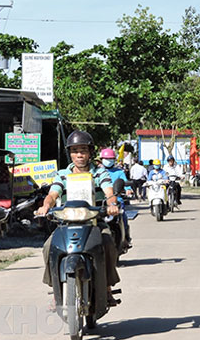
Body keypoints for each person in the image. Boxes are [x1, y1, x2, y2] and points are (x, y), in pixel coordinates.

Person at [34, 130, 121, 304]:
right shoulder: (62, 174)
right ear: (70, 154)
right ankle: (56, 290)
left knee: (108, 243)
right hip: (67, 222)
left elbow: (108, 190)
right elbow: (52, 194)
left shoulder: (99, 173)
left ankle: (107, 288)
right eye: (75, 151)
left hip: (95, 221)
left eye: (83, 150)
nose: (79, 155)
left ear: (90, 152)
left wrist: (112, 204)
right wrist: (45, 206)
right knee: (48, 247)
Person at [99, 147, 132, 247]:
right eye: (106, 159)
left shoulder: (119, 172)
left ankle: (125, 236)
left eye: (110, 159)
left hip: (116, 201)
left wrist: (128, 189)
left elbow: (125, 183)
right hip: (100, 201)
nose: (108, 161)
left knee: (123, 216)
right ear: (101, 159)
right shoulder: (97, 172)